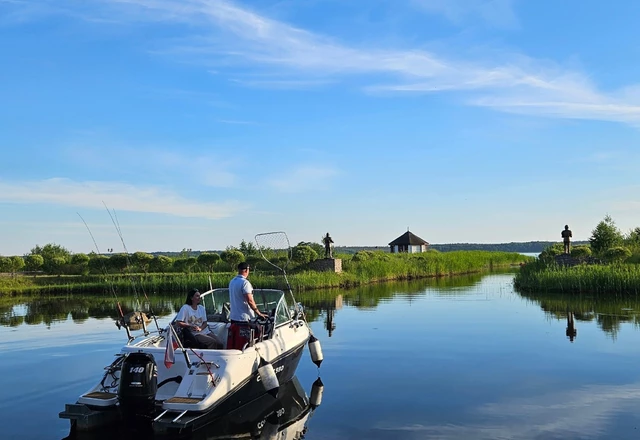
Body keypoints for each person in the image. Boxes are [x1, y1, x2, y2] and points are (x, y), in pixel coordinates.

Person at [228, 262, 267, 349]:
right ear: (246, 270)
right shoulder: (245, 283)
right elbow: (250, 300)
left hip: (234, 318)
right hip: (244, 319)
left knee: (235, 342)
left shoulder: (232, 282)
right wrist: (258, 313)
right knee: (247, 341)